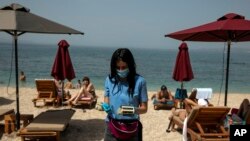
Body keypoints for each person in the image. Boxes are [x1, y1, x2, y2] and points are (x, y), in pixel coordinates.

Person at [102, 48, 148, 141]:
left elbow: (144, 109)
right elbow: (107, 97)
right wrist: (105, 106)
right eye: (117, 67)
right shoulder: (109, 79)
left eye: (124, 67)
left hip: (131, 128)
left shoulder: (140, 81)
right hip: (112, 126)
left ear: (130, 65)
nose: (120, 70)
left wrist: (130, 110)